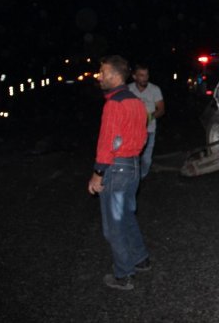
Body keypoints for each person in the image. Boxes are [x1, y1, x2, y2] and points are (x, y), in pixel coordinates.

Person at [87, 55, 151, 290]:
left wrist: (98, 173)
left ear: (115, 75)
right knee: (125, 217)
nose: (100, 76)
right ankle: (140, 258)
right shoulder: (136, 102)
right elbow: (143, 137)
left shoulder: (113, 104)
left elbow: (109, 143)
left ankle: (124, 274)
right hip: (133, 166)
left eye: (103, 72)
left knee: (113, 225)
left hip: (117, 168)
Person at [128, 64, 165, 179]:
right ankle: (133, 178)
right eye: (141, 75)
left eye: (146, 75)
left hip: (149, 130)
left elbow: (161, 110)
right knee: (132, 156)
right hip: (131, 130)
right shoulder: (128, 89)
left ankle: (140, 177)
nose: (145, 78)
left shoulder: (154, 89)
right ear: (134, 76)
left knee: (146, 158)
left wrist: (148, 118)